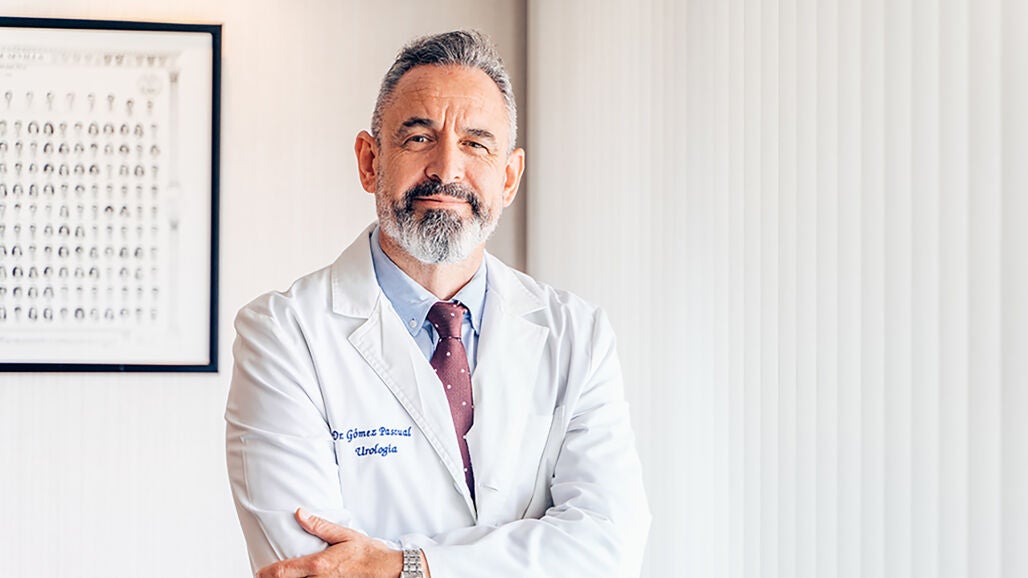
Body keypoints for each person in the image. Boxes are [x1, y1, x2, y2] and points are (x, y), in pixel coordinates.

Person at [225, 30, 650, 578]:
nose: (446, 169)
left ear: (509, 177)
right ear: (370, 161)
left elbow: (610, 547)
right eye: (420, 137)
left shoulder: (577, 334)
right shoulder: (282, 335)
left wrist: (407, 565)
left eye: (476, 144)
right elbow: (310, 569)